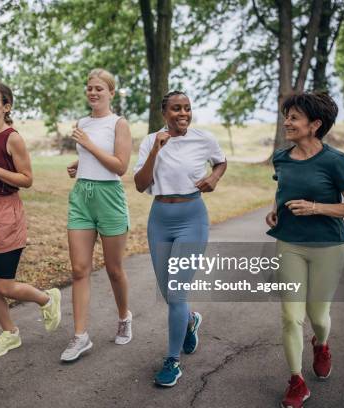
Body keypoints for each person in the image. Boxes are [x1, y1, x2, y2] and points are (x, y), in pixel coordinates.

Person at [265, 92, 344, 408]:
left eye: (294, 117)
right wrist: (275, 208)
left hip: (327, 246)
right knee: (291, 316)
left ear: (315, 124)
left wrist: (316, 207)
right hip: (289, 243)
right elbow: (282, 189)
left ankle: (321, 344)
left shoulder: (336, 161)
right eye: (287, 116)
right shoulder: (281, 157)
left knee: (317, 315)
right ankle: (296, 381)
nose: (287, 122)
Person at [134, 91, 227, 387]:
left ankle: (172, 361)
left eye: (187, 108)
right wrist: (155, 151)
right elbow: (139, 185)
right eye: (176, 109)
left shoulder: (203, 138)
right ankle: (190, 320)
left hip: (192, 218)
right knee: (170, 294)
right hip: (160, 218)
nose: (183, 113)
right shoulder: (151, 141)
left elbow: (221, 162)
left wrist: (213, 178)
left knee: (176, 293)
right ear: (164, 113)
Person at [0, 81, 61, 358]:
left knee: (3, 284)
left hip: (6, 213)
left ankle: (47, 298)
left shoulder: (12, 138)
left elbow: (27, 179)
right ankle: (10, 333)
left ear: (6, 107)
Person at [60, 68, 133, 362]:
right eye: (89, 88)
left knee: (114, 269)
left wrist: (88, 146)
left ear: (111, 93)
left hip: (109, 198)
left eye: (99, 89)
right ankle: (80, 337)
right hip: (82, 196)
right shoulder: (83, 122)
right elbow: (94, 155)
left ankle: (124, 316)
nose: (92, 92)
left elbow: (120, 166)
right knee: (79, 269)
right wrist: (81, 162)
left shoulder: (119, 123)